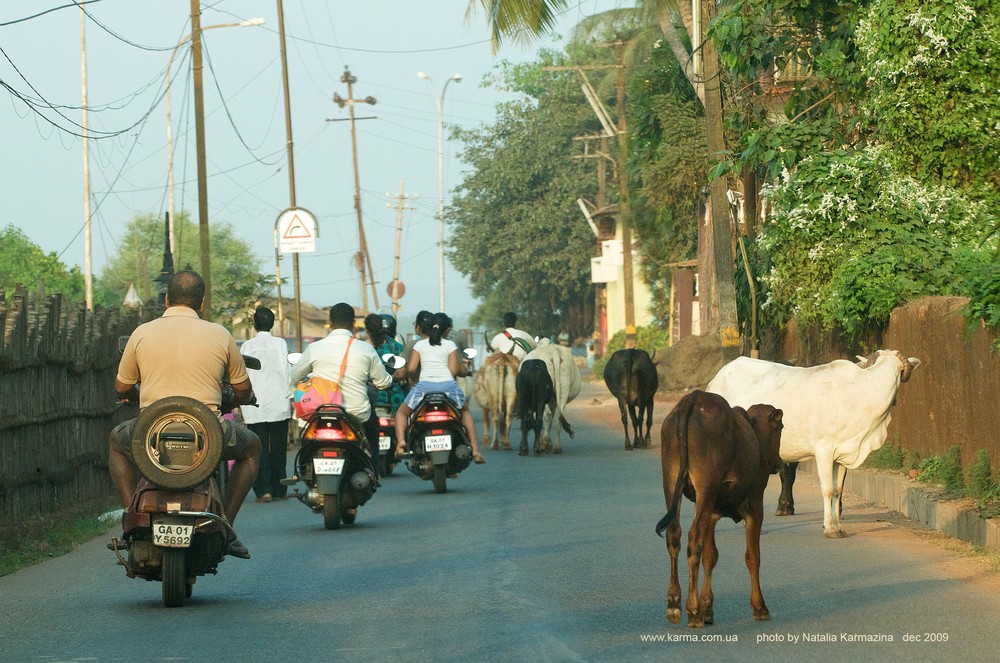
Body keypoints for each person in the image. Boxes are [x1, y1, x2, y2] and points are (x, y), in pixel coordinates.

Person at [109, 270, 260, 559]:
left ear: (166, 300)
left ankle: (132, 517)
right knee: (252, 448)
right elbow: (242, 389)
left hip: (150, 432)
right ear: (202, 302)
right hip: (209, 432)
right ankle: (226, 525)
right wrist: (241, 396)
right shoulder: (220, 334)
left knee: (116, 443)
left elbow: (121, 387)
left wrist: (136, 391)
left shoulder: (142, 333)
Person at [290, 303, 394, 488]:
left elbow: (295, 376)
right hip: (356, 413)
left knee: (306, 438)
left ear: (330, 323)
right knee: (372, 429)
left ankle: (304, 469)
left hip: (319, 412)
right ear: (354, 324)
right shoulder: (365, 349)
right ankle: (373, 471)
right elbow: (383, 382)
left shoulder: (315, 348)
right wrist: (385, 380)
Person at [394, 311, 485, 464]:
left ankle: (401, 442)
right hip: (448, 387)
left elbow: (410, 369)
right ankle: (475, 450)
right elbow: (455, 371)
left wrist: (411, 376)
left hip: (423, 388)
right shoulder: (450, 345)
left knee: (402, 413)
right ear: (447, 330)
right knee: (465, 411)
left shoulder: (420, 345)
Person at [240, 306, 292, 503]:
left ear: (255, 324)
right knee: (278, 447)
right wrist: (290, 395)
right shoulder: (280, 344)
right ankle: (280, 489)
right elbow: (286, 371)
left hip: (254, 403)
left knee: (258, 447)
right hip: (278, 401)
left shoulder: (246, 346)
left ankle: (263, 490)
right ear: (272, 324)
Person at [364, 313, 406, 414]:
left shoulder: (362, 349)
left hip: (370, 397)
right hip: (394, 397)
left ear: (367, 330)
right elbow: (402, 373)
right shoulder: (398, 347)